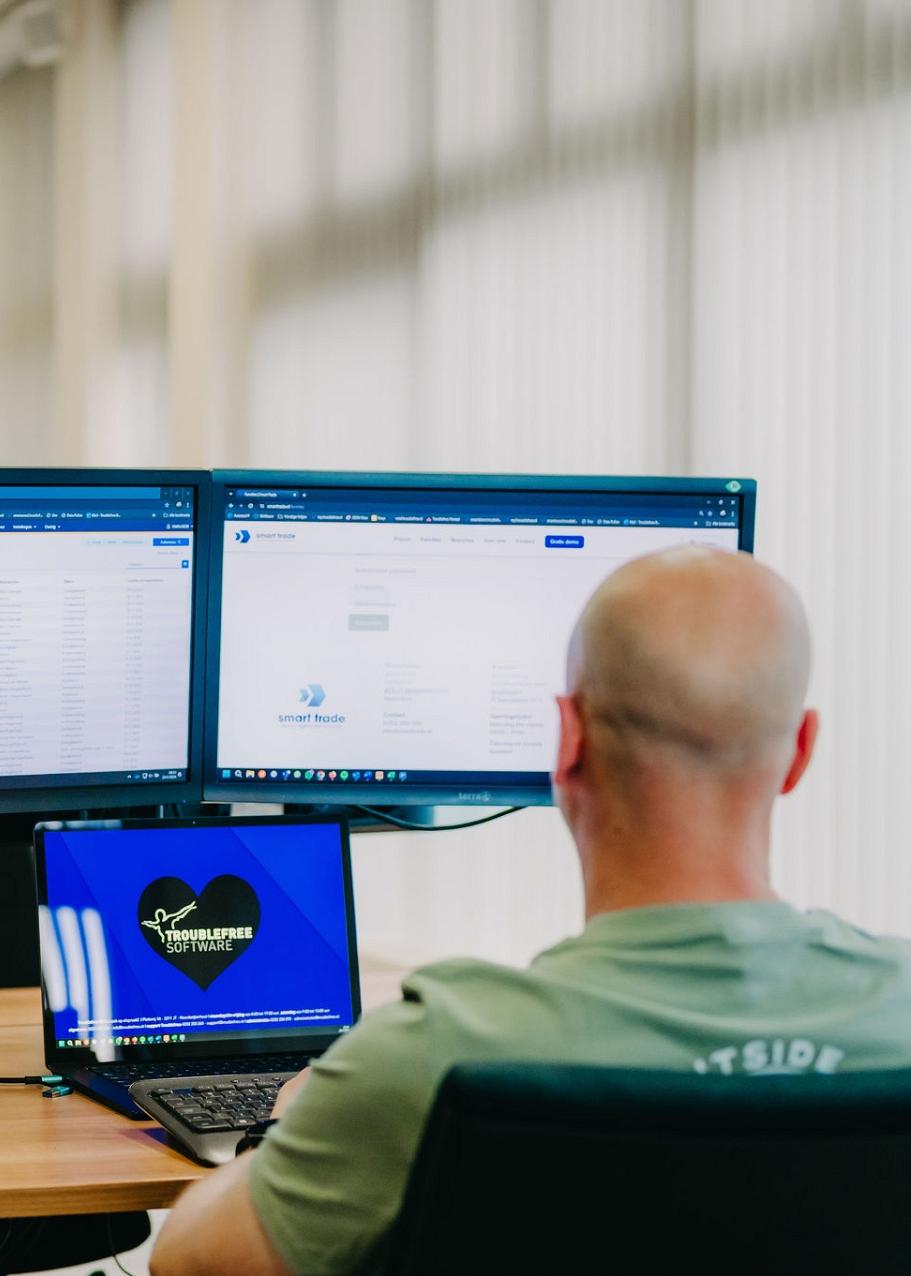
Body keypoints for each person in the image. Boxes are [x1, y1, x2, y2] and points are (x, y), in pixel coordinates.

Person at [151, 546, 911, 1276]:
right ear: (801, 750)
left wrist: (290, 1127)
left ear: (567, 738)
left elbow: (191, 1262)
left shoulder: (434, 1052)